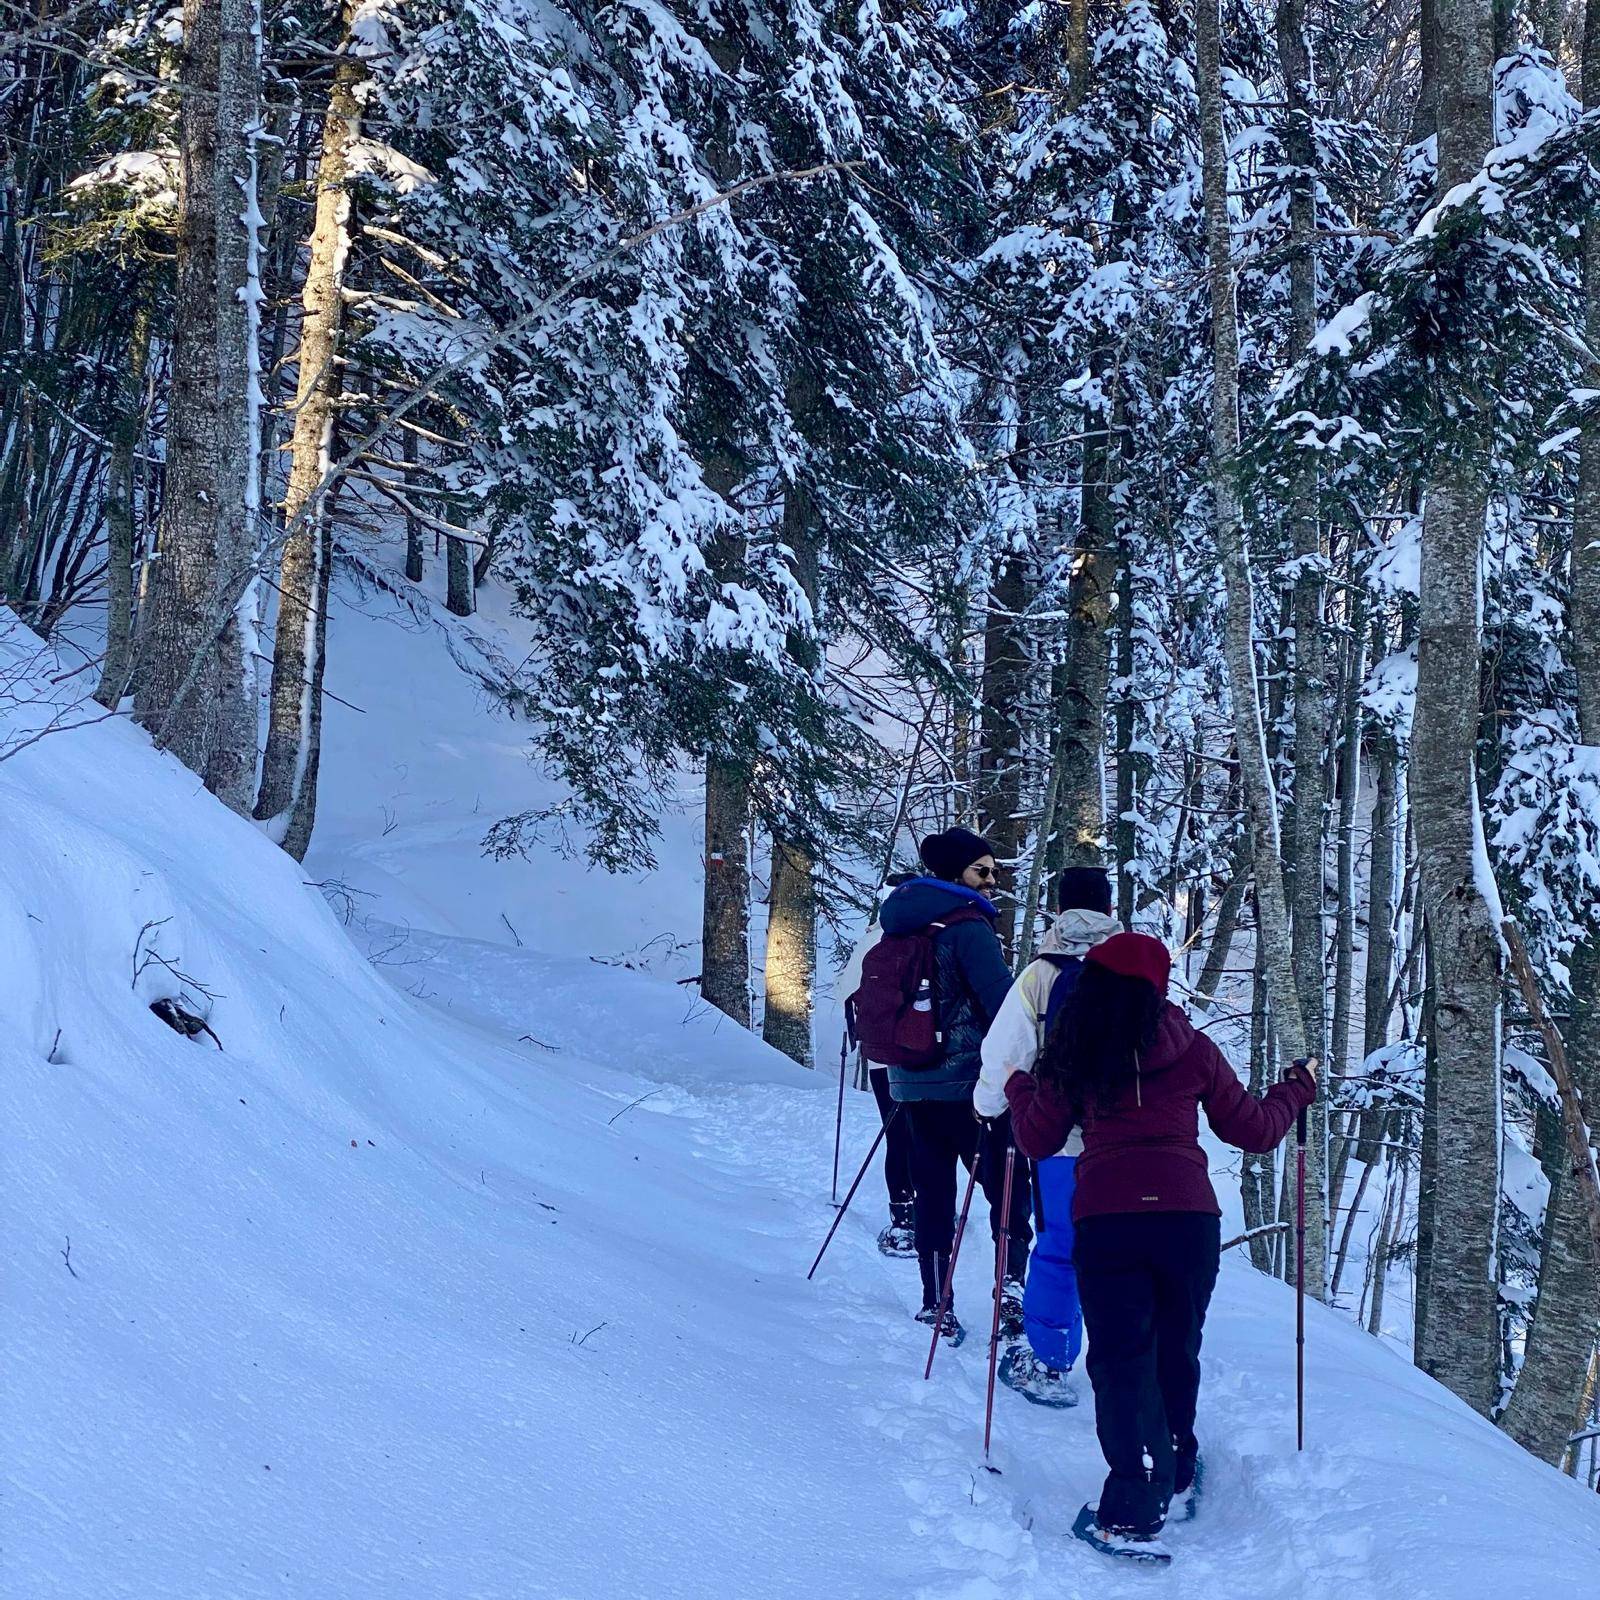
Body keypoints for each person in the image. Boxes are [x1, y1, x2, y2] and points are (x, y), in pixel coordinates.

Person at [1002, 932, 1316, 1556]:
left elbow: (1037, 1139)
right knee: (1177, 1345)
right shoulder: (1193, 1048)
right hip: (1187, 1221)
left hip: (1108, 1219)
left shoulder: (1075, 1048)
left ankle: (1134, 1503)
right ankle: (1175, 1464)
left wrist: (1018, 1088)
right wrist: (1296, 1089)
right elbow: (1255, 1131)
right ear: (1159, 987)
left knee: (1122, 1358)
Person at [874, 827, 1032, 1345]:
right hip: (971, 1089)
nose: (992, 880)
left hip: (912, 1084)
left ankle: (935, 1302)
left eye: (994, 871)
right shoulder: (968, 927)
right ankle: (1011, 1294)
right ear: (956, 873)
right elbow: (1003, 1007)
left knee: (934, 1192)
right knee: (1008, 1189)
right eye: (982, 870)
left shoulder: (900, 922)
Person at [974, 866, 1121, 1405]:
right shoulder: (1138, 967)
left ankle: (1050, 1364)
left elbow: (1006, 1052)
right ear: (1110, 909)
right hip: (1129, 1140)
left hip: (1062, 1138)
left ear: (1059, 910)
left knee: (1060, 1243)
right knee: (1121, 1249)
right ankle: (1125, 1367)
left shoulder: (1042, 973)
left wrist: (987, 1107)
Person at [833, 881, 918, 1257]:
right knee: (925, 1136)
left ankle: (903, 1218)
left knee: (897, 1134)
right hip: (926, 1055)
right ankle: (929, 1210)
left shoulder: (875, 937)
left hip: (883, 1058)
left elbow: (843, 990)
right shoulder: (931, 934)